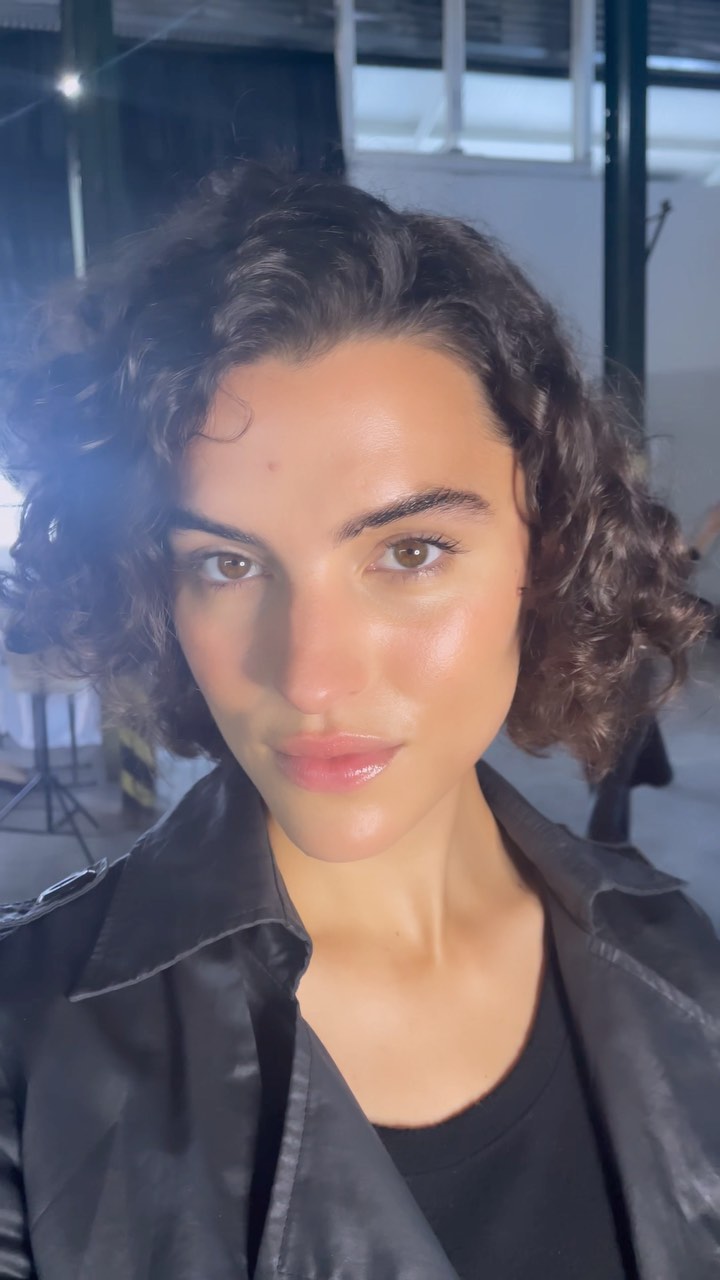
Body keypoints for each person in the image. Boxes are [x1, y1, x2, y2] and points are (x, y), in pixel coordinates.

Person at [0, 165, 716, 1280]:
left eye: (410, 551)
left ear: (547, 551)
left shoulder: (678, 959)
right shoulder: (27, 1049)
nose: (312, 675)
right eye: (228, 563)